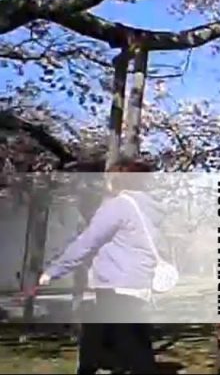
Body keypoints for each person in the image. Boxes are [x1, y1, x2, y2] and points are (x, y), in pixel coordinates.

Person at [38, 158, 163, 375]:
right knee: (100, 336)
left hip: (117, 284)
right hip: (138, 282)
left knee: (131, 345)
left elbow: (88, 241)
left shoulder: (119, 205)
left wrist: (55, 270)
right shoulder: (149, 207)